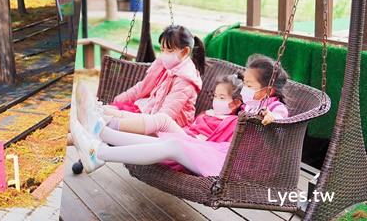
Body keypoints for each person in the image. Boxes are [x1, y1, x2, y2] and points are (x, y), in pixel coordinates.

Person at [72, 74, 254, 176]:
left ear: (237, 103)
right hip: (189, 140)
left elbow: (216, 141)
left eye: (222, 98)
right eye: (215, 96)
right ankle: (102, 130)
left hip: (198, 146)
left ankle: (103, 129)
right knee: (162, 133)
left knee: (164, 124)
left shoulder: (235, 121)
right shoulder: (209, 113)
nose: (216, 101)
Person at [78, 25, 205, 140]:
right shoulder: (165, 66)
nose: (164, 54)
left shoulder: (185, 79)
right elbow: (142, 88)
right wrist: (118, 99)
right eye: (162, 50)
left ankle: (93, 118)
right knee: (105, 110)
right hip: (149, 109)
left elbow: (165, 116)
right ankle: (93, 113)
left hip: (167, 124)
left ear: (185, 52)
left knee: (104, 118)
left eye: (169, 51)